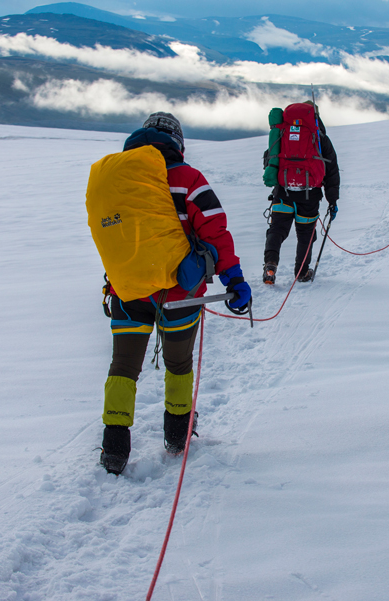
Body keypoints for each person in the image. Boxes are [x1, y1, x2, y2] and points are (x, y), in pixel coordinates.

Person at [91, 112, 251, 474]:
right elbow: (215, 232)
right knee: (178, 365)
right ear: (178, 142)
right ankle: (177, 436)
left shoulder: (118, 180)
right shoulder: (187, 179)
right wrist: (234, 280)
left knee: (123, 367)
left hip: (127, 292)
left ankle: (114, 447)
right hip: (181, 296)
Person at [262, 100, 340, 284]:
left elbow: (270, 158)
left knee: (277, 230)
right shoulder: (320, 138)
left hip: (283, 192)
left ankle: (270, 265)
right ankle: (302, 272)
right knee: (306, 234)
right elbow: (332, 170)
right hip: (309, 195)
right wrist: (332, 200)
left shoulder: (283, 132)